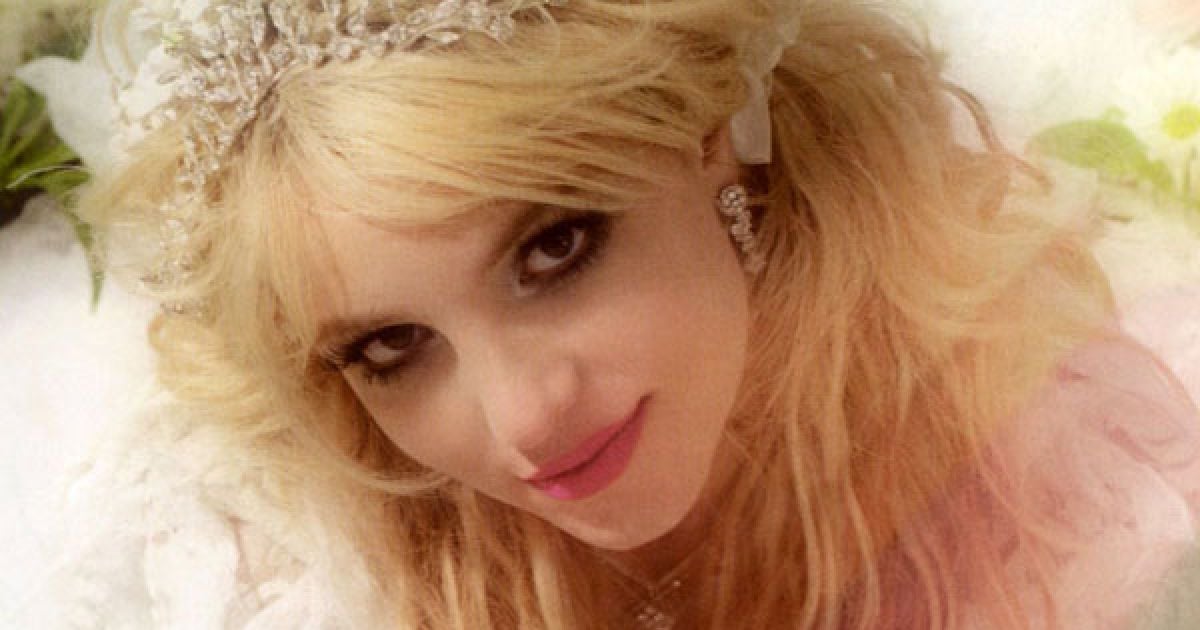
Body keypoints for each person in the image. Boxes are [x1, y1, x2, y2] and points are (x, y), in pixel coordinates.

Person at [47, 0, 1200, 627]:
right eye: (392, 347)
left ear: (715, 138)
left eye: (555, 248)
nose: (524, 419)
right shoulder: (307, 566)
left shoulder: (1046, 475)